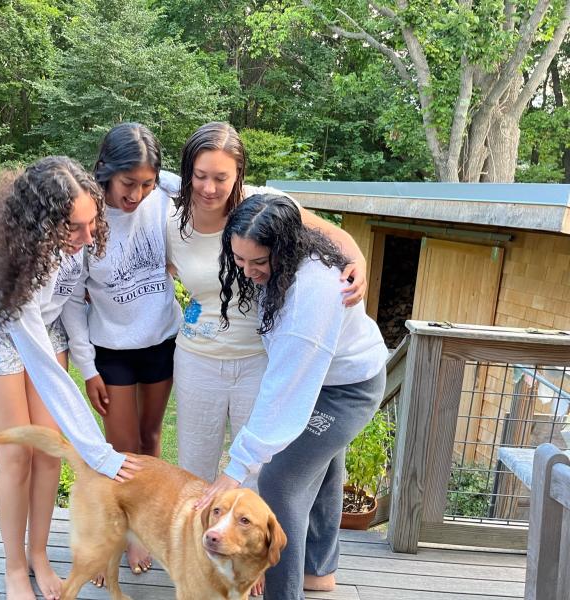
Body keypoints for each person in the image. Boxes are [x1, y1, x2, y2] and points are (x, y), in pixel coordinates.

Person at [0, 157, 140, 600]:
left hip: (45, 323)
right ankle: (15, 568)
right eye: (75, 228)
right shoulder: (15, 260)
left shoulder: (78, 237)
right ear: (40, 225)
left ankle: (39, 554)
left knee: (50, 450)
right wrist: (99, 453)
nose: (88, 236)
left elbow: (68, 304)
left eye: (92, 222)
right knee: (18, 452)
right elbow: (46, 372)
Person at [197, 193, 388, 599]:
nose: (248, 272)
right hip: (329, 374)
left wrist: (238, 466)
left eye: (259, 263)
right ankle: (318, 570)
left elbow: (283, 396)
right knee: (320, 462)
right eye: (240, 260)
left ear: (285, 248)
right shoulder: (271, 214)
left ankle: (283, 594)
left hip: (347, 388)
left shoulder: (310, 298)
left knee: (282, 479)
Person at [167, 122, 367, 496]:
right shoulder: (170, 219)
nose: (209, 188)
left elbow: (335, 236)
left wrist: (359, 264)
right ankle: (192, 553)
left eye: (221, 178)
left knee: (257, 477)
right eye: (200, 176)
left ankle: (246, 554)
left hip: (260, 359)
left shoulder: (266, 208)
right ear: (187, 172)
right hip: (197, 359)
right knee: (193, 473)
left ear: (239, 175)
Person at [61, 123, 181, 575]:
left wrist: (161, 181)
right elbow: (73, 300)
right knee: (121, 451)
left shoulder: (164, 199)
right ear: (106, 173)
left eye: (147, 184)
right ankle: (111, 533)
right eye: (129, 183)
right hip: (110, 349)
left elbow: (198, 182)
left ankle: (140, 533)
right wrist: (88, 368)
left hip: (159, 341)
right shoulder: (87, 216)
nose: (137, 194)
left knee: (150, 443)